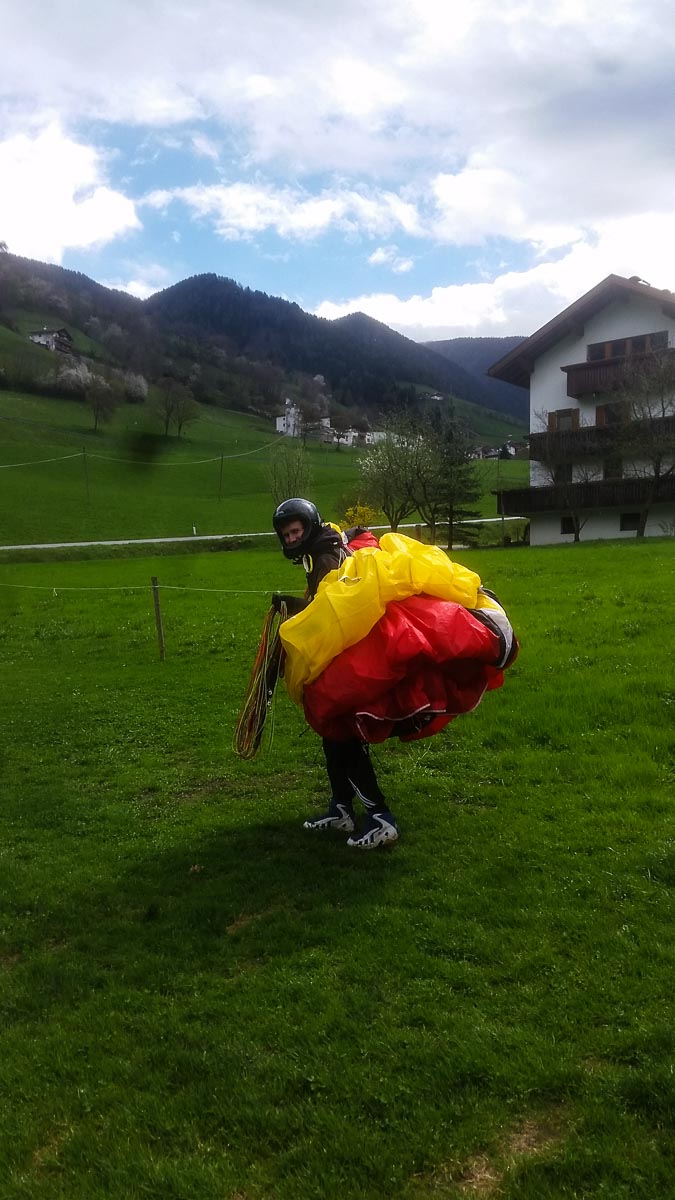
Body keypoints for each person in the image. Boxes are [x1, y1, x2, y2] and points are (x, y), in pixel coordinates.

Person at [271, 497, 399, 850]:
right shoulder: (324, 545)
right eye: (286, 535)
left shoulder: (324, 556)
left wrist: (292, 616)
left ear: (308, 527)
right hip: (345, 653)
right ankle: (342, 808)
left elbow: (330, 610)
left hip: (346, 658)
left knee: (342, 735)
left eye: (296, 531)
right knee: (332, 736)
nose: (291, 539)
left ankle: (381, 818)